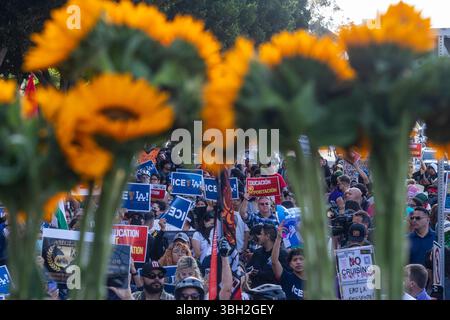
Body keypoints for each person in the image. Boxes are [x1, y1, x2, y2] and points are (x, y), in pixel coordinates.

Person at [246, 224, 288, 288]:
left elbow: (284, 276)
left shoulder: (282, 254)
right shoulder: (257, 252)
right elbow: (248, 268)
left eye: (261, 234)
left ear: (267, 236)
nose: (259, 237)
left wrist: (260, 273)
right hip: (255, 291)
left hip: (274, 293)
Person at [272, 222, 306, 300]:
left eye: (301, 259)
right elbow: (274, 261)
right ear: (290, 264)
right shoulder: (286, 278)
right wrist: (278, 238)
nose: (298, 262)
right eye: (295, 260)